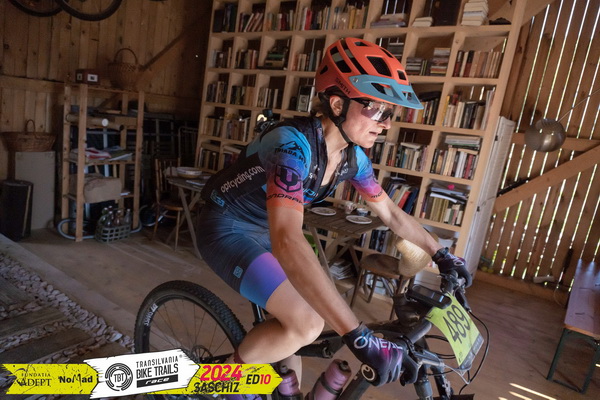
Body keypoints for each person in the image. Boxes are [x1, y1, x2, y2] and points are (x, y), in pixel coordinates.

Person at [197, 38, 472, 387]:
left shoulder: (352, 158)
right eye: (377, 109)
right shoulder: (291, 147)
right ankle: (219, 383)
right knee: (308, 323)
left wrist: (442, 254)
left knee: (308, 314)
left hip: (265, 231)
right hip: (226, 226)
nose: (386, 123)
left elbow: (391, 214)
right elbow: (287, 239)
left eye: (390, 113)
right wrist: (358, 336)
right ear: (338, 104)